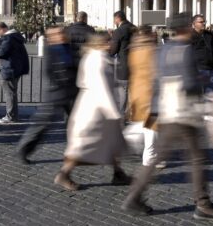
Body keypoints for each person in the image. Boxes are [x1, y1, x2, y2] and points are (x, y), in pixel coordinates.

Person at [122, 12, 213, 222]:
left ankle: (134, 197)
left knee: (157, 158)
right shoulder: (186, 50)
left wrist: (155, 111)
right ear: (184, 29)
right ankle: (203, 203)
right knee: (197, 158)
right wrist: (201, 90)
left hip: (166, 111)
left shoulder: (163, 50)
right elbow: (189, 84)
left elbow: (156, 82)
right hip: (184, 113)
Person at [54, 33, 129, 191]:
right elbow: (101, 88)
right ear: (101, 44)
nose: (111, 44)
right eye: (108, 41)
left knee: (111, 142)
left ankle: (118, 173)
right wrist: (114, 112)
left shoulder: (95, 58)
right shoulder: (98, 61)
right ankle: (64, 174)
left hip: (97, 107)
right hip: (97, 110)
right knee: (84, 146)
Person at [16, 26, 77, 163]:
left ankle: (75, 152)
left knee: (74, 124)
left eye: (61, 32)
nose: (60, 35)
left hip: (71, 92)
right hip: (56, 92)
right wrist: (62, 82)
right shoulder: (51, 50)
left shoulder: (70, 48)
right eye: (57, 34)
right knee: (42, 124)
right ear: (52, 37)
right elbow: (49, 71)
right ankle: (24, 149)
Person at [126, 25, 160, 168]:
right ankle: (149, 157)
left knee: (144, 123)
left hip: (137, 90)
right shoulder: (151, 50)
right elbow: (156, 72)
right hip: (149, 92)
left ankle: (130, 138)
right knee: (151, 125)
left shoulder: (133, 50)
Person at [0, 22, 29, 123]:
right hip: (16, 68)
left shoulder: (8, 38)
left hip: (9, 69)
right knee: (12, 93)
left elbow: (1, 52)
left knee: (9, 94)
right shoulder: (15, 37)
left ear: (2, 29)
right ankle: (13, 115)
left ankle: (11, 116)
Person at [109, 10, 135, 116]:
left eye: (114, 19)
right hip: (135, 62)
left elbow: (113, 50)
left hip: (123, 64)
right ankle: (133, 112)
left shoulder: (119, 31)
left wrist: (113, 38)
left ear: (117, 18)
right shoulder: (134, 28)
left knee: (123, 90)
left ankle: (122, 114)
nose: (114, 21)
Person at [191, 14, 213, 93]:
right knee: (196, 94)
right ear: (194, 24)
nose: (203, 23)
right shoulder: (190, 36)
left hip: (210, 69)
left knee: (210, 93)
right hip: (197, 70)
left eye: (204, 22)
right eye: (201, 22)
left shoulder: (209, 35)